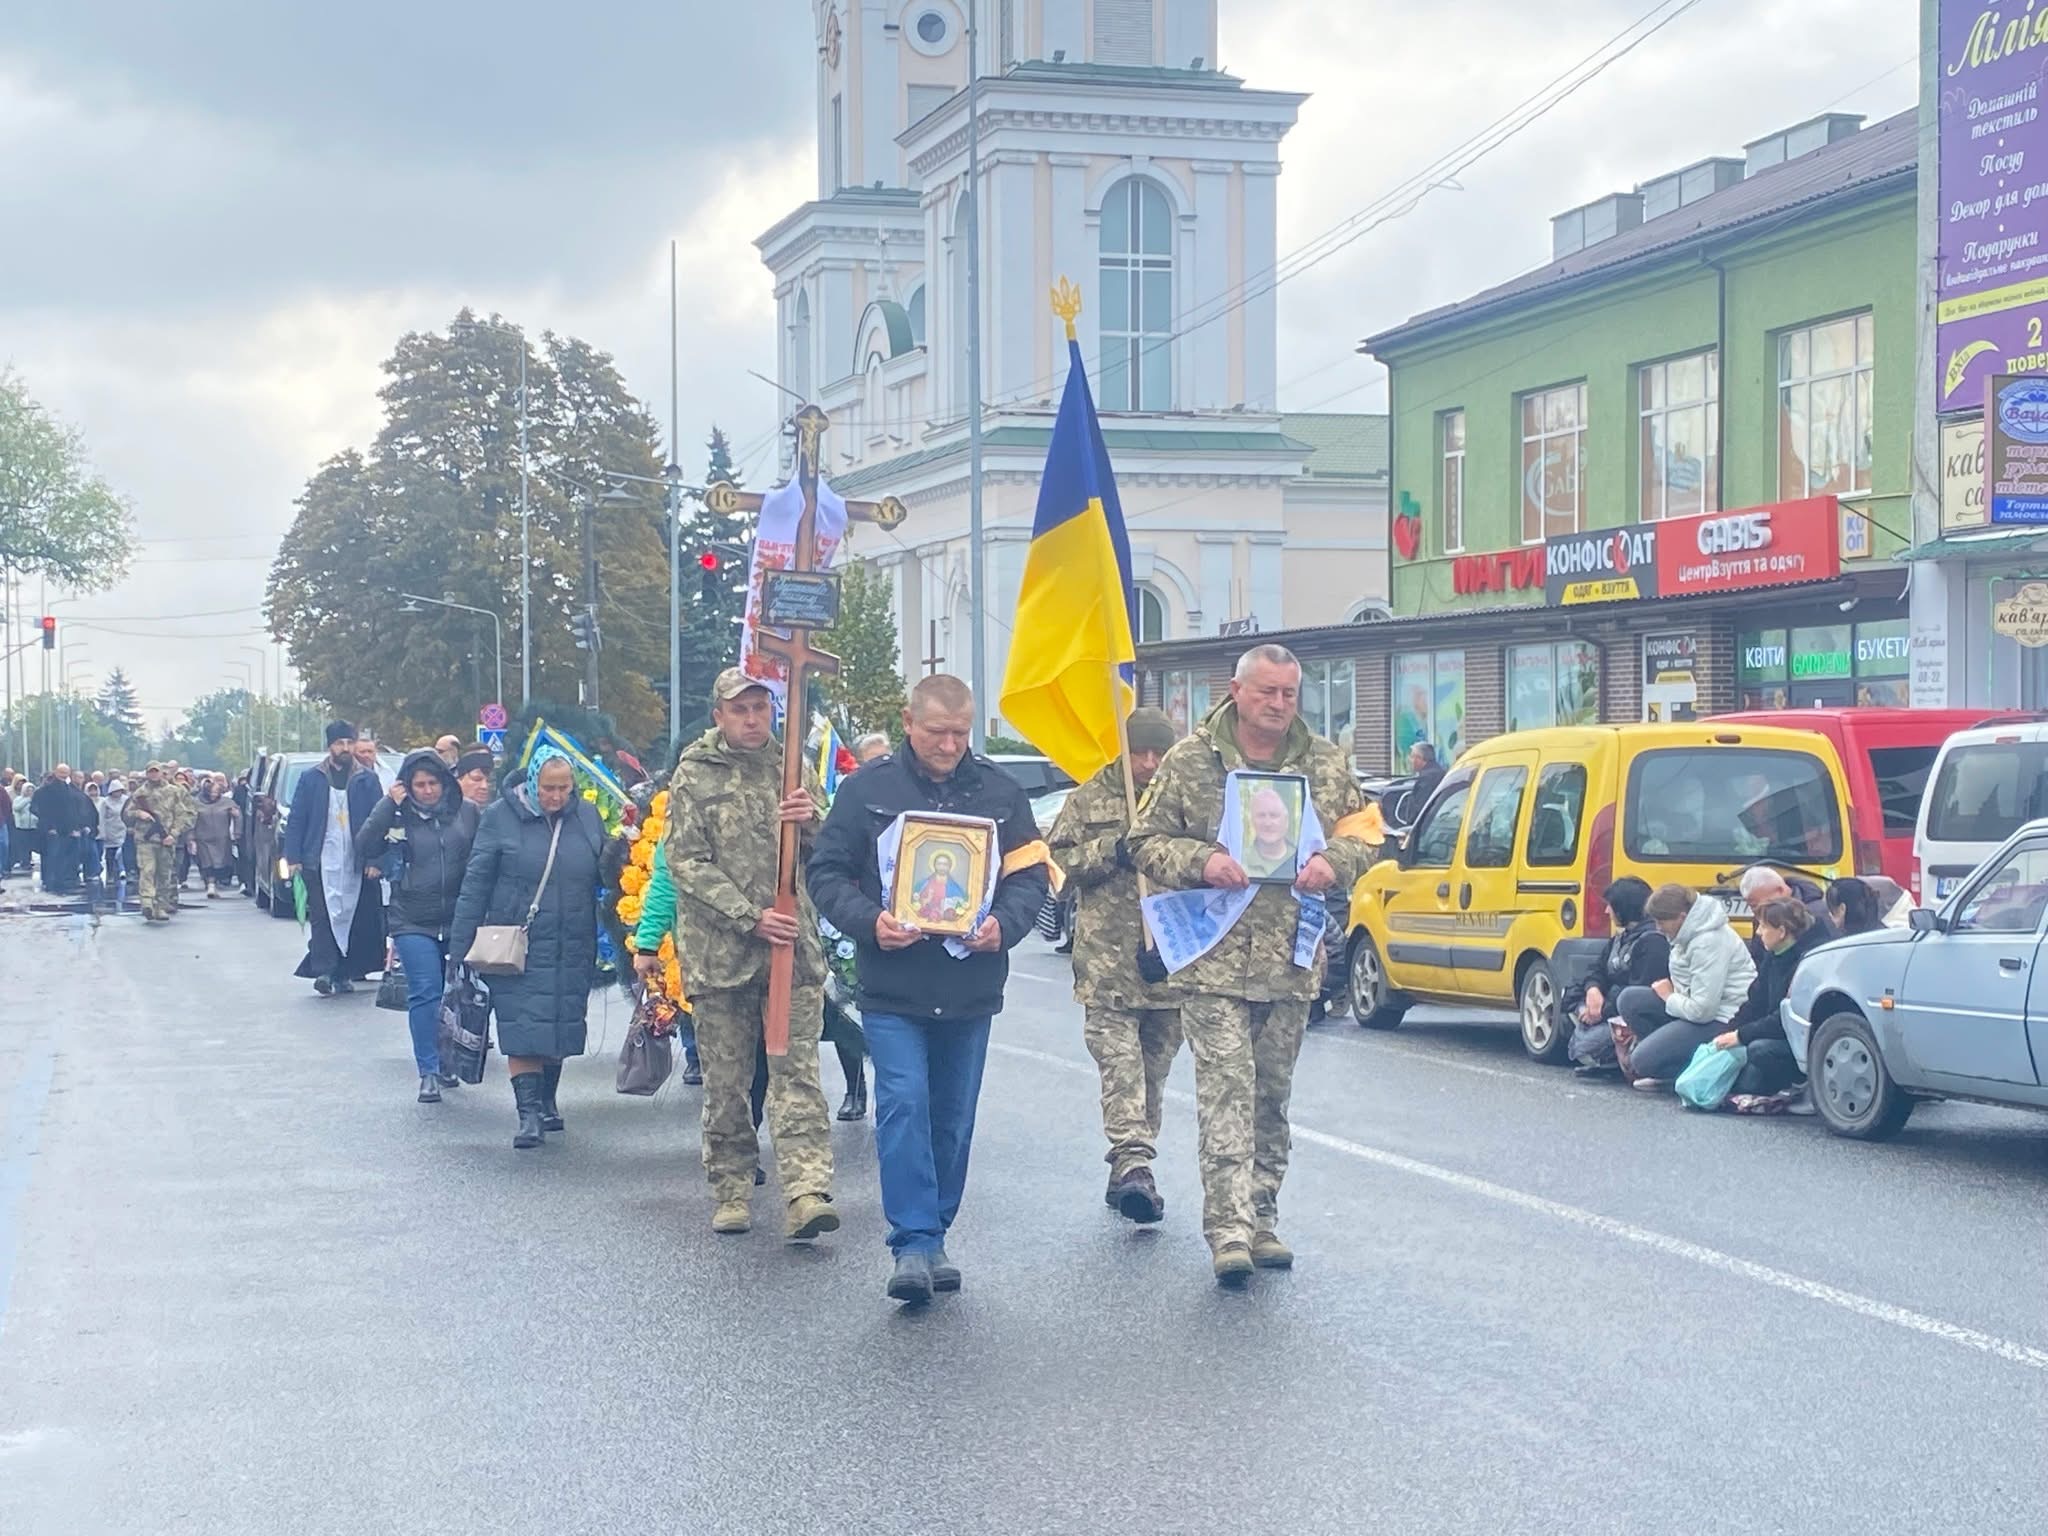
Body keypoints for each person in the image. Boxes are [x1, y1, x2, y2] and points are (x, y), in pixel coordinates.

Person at [1130, 644, 1373, 1287]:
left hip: (1291, 960)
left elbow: (1364, 832)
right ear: (1235, 691)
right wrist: (1201, 862)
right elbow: (1145, 841)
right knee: (1226, 1091)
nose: (1278, 704)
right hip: (1211, 958)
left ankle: (1263, 1217)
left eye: (1289, 694)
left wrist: (1336, 863)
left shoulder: (1323, 762)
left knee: (1272, 1095)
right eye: (1266, 692)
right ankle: (1229, 1229)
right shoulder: (1190, 761)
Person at [807, 674, 1051, 1304]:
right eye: (938, 732)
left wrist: (1005, 924)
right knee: (904, 1104)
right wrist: (869, 922)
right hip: (894, 983)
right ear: (909, 722)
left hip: (969, 983)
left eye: (961, 733)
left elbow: (1030, 878)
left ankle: (935, 1228)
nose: (949, 745)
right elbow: (827, 873)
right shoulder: (868, 791)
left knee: (953, 1117)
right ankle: (913, 1242)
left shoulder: (1000, 792)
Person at [664, 667, 839, 1240]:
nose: (751, 718)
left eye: (761, 708)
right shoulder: (695, 773)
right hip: (722, 958)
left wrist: (809, 819)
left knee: (798, 1077)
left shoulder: (792, 768)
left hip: (792, 953)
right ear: (719, 715)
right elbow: (686, 862)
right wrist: (748, 916)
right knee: (727, 1083)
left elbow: (832, 849)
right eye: (740, 709)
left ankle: (806, 1189)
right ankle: (732, 1186)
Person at [1048, 705, 1184, 1223]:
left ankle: (1129, 1167)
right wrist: (1113, 850)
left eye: (1158, 752)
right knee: (1120, 1068)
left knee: (1152, 1074)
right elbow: (1057, 863)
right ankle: (1134, 1163)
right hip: (1107, 966)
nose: (1148, 762)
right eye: (1139, 752)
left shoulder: (1186, 798)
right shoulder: (1091, 797)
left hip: (1169, 962)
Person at [450, 751, 606, 1148]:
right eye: (547, 788)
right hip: (518, 945)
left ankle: (547, 1099)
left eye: (563, 788)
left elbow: (605, 873)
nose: (555, 797)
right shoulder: (500, 817)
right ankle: (528, 1115)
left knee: (561, 1026)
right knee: (522, 1029)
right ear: (533, 782)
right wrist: (460, 946)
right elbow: (476, 883)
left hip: (573, 941)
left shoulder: (586, 817)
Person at [357, 748, 480, 1104]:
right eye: (418, 785)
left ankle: (447, 1061)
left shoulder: (467, 813)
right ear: (407, 786)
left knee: (452, 993)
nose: (426, 791)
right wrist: (386, 804)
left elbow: (483, 860)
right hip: (412, 918)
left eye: (432, 784)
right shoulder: (398, 816)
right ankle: (427, 1070)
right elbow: (365, 844)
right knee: (425, 992)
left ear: (444, 783)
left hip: (457, 916)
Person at [1615, 884, 1758, 1092]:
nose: (1658, 928)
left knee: (1641, 1061)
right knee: (1629, 1000)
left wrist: (1669, 996)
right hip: (1692, 1006)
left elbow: (1703, 1011)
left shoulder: (1708, 943)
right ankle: (1676, 1061)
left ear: (1682, 917)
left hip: (1723, 1019)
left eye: (1661, 921)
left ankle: (1684, 1072)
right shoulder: (1686, 932)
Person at [282, 722, 386, 995]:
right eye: (340, 743)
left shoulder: (366, 779)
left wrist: (375, 859)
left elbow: (379, 822)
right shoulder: (312, 778)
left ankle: (345, 972)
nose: (345, 749)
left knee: (354, 916)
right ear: (330, 746)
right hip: (319, 859)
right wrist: (293, 856)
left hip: (355, 859)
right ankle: (325, 970)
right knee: (324, 916)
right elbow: (297, 819)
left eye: (349, 743)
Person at [1711, 897, 1827, 1108]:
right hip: (1775, 1034)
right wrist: (1728, 1031)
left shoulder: (1804, 964)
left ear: (1781, 932)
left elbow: (1784, 1018)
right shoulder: (1773, 956)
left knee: (1758, 1052)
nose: (1758, 932)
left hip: (1798, 1041)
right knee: (1737, 1078)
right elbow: (1755, 1001)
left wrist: (1741, 1035)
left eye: (1763, 926)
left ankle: (1799, 1085)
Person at [1564, 876, 1670, 1077]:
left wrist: (1599, 1012)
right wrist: (1593, 990)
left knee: (1582, 1047)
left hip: (1622, 1014)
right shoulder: (1620, 938)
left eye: (1610, 906)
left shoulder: (1652, 942)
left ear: (1623, 908)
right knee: (1569, 995)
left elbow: (1637, 993)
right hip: (1606, 1006)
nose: (1606, 911)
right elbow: (1596, 969)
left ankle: (1612, 1056)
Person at [124, 764, 191, 923]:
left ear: (162, 773)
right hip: (145, 839)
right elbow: (127, 814)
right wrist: (138, 813)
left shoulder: (174, 792)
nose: (153, 775)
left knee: (164, 874)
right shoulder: (140, 793)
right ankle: (147, 903)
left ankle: (160, 906)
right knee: (147, 870)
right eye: (150, 772)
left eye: (156, 772)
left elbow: (183, 816)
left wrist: (173, 834)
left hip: (166, 839)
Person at [32, 766, 94, 894]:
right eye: (61, 772)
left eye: (66, 773)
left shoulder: (71, 790)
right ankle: (51, 882)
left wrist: (76, 827)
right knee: (52, 857)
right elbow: (38, 809)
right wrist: (49, 827)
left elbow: (75, 810)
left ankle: (65, 881)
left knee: (67, 858)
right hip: (52, 831)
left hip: (68, 830)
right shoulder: (45, 791)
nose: (63, 775)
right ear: (55, 772)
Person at [1737, 864, 1833, 936]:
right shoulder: (1762, 915)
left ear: (1780, 891)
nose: (1757, 910)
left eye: (1758, 904)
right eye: (1753, 906)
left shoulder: (1817, 913)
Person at [190, 776, 239, 898]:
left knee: (221, 864)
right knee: (207, 863)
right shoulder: (196, 803)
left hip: (222, 839)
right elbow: (190, 822)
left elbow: (238, 817)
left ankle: (215, 883)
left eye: (217, 792)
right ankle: (210, 885)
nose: (214, 795)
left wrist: (237, 831)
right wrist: (190, 839)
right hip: (203, 839)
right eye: (212, 792)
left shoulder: (227, 803)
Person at [1241, 783, 1297, 881]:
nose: (1268, 823)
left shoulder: (1301, 861)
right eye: (1261, 815)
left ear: (1286, 821)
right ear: (1252, 821)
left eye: (1274, 815)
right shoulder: (1238, 862)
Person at [99, 776, 134, 887]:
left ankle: (126, 872)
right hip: (111, 830)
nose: (117, 793)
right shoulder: (106, 802)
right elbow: (102, 818)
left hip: (124, 829)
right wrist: (102, 832)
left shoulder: (126, 800)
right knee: (110, 854)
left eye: (119, 791)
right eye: (115, 791)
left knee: (125, 853)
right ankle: (110, 874)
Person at [1407, 741, 1444, 814]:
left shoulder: (1426, 780)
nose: (1410, 760)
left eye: (1412, 756)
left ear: (1419, 758)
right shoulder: (1438, 772)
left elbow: (1420, 808)